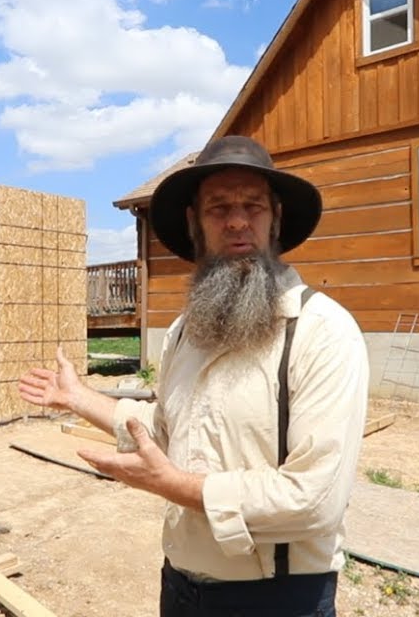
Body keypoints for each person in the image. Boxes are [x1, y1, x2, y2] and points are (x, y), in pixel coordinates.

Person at [19, 134, 370, 617]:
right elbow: (168, 427)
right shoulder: (187, 330)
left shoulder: (320, 331)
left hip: (276, 600)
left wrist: (174, 486)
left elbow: (315, 501)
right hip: (180, 590)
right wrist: (80, 398)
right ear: (193, 223)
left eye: (253, 206)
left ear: (277, 220)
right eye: (217, 208)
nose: (237, 221)